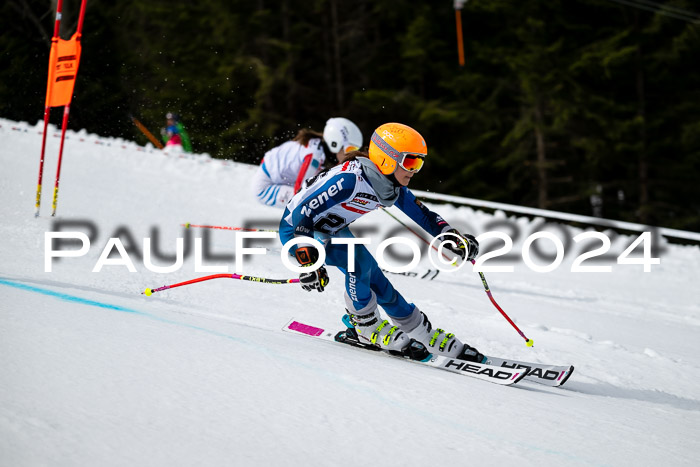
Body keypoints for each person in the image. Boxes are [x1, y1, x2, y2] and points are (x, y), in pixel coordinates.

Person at [279, 122, 484, 362]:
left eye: (419, 163)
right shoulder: (350, 180)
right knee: (360, 262)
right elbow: (302, 211)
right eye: (410, 162)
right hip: (299, 232)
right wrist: (308, 261)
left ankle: (418, 329)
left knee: (374, 274)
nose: (414, 170)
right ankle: (365, 327)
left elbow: (423, 215)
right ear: (387, 159)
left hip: (331, 230)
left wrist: (452, 237)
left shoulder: (389, 186)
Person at [251, 118, 362, 208]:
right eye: (350, 149)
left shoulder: (322, 151)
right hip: (265, 187)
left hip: (279, 178)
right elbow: (300, 193)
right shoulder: (314, 157)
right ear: (335, 143)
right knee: (312, 202)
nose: (351, 154)